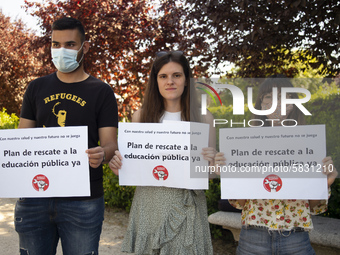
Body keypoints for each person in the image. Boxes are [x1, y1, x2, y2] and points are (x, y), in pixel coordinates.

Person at [15, 17, 119, 255]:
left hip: (82, 201)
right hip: (35, 196)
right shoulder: (35, 88)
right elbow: (23, 140)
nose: (62, 51)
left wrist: (102, 154)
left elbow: (110, 145)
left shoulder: (101, 92)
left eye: (70, 45)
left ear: (85, 47)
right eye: (56, 44)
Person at [215, 74, 338, 255]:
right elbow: (242, 203)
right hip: (253, 238)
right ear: (261, 105)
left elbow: (313, 206)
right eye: (269, 97)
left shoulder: (309, 144)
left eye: (283, 97)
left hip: (296, 239)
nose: (276, 103)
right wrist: (229, 177)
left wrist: (326, 182)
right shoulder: (245, 145)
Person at [109, 51, 216, 254]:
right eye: (163, 76)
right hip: (149, 205)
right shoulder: (141, 117)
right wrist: (119, 166)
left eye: (177, 75)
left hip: (187, 206)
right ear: (155, 81)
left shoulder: (204, 118)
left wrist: (213, 163)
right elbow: (134, 168)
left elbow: (210, 173)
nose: (170, 82)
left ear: (186, 80)